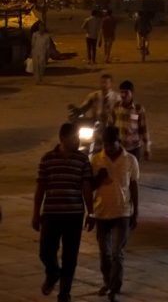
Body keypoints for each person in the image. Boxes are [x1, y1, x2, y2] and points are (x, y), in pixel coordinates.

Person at [32, 122, 94, 302]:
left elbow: (86, 188)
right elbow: (40, 188)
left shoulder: (82, 160)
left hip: (74, 214)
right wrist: (36, 213)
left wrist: (91, 213)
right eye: (74, 138)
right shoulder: (47, 159)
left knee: (70, 256)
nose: (77, 141)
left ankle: (64, 293)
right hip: (51, 213)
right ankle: (53, 272)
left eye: (77, 137)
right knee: (45, 251)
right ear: (62, 139)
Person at [90, 125, 139, 302]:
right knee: (105, 254)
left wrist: (135, 212)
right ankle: (107, 281)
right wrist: (99, 178)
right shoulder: (96, 160)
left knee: (117, 253)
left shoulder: (130, 160)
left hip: (122, 212)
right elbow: (90, 186)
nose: (108, 148)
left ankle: (115, 288)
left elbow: (134, 186)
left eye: (111, 144)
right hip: (101, 211)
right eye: (105, 145)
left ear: (119, 142)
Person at [112, 80, 151, 162]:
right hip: (119, 148)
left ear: (132, 93)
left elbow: (144, 129)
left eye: (126, 92)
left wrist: (147, 148)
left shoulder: (138, 109)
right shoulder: (116, 107)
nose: (123, 95)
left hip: (134, 149)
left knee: (133, 169)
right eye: (121, 92)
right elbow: (112, 125)